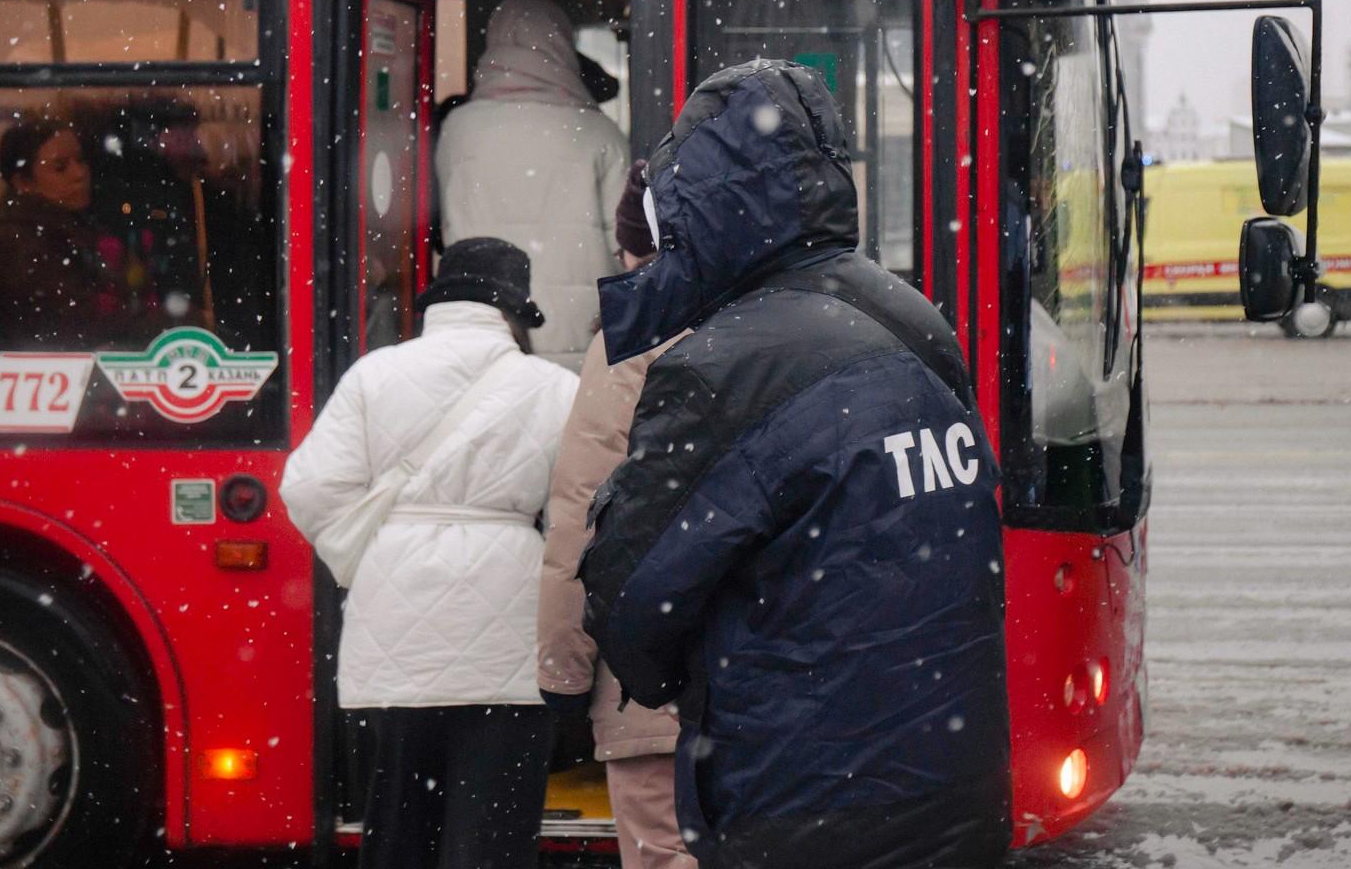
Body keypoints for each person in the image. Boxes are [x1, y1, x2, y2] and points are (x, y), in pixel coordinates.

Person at [579, 61, 1011, 869]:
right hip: (960, 787)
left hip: (806, 804)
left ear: (703, 212)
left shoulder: (723, 367)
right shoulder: (914, 317)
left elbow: (633, 608)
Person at [280, 238, 580, 869]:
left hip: (397, 637)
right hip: (508, 639)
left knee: (400, 828)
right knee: (491, 837)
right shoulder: (553, 387)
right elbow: (582, 514)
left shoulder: (374, 373)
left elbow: (309, 486)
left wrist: (372, 559)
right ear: (515, 314)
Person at [537, 160, 696, 869]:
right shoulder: (780, 321)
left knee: (663, 852)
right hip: (767, 680)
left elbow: (582, 515)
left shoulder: (630, 342)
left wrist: (564, 670)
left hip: (650, 679)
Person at [435, 0, 629, 370]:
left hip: (486, 331)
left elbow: (448, 225)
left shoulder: (458, 129)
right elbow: (628, 247)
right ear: (562, 46)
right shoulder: (598, 132)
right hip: (582, 341)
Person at [0, 119, 134, 349]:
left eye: (81, 160)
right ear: (23, 183)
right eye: (60, 167)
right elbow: (76, 323)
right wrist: (162, 321)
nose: (80, 173)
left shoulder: (70, 225)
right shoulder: (22, 239)